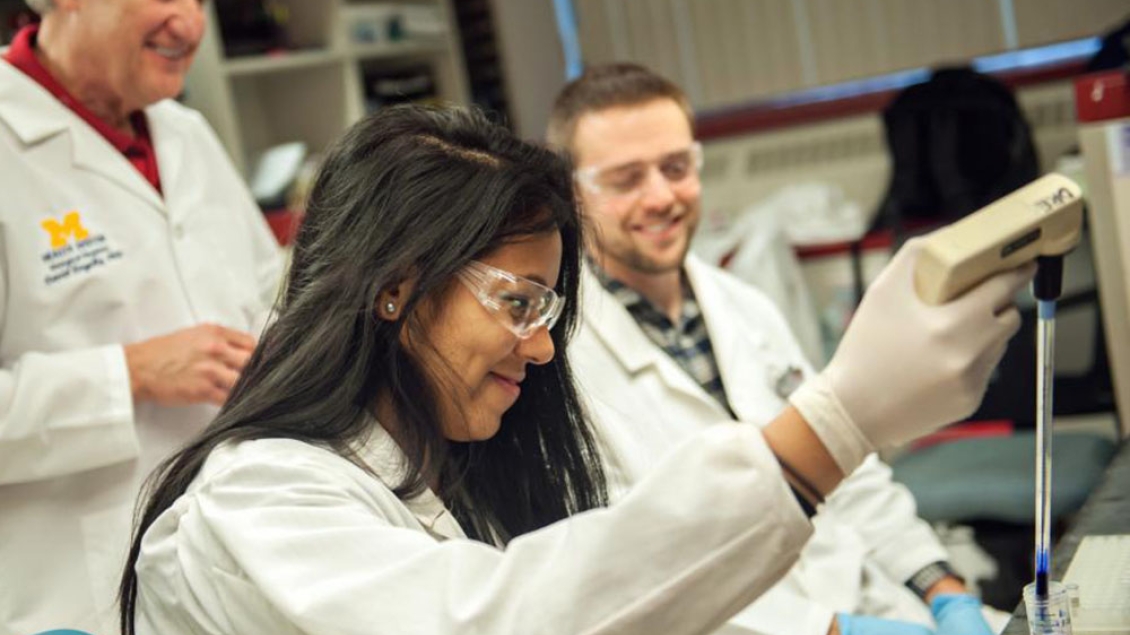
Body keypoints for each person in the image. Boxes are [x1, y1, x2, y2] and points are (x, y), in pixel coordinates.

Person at [119, 104, 1031, 634]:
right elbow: (506, 619)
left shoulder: (450, 463)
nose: (546, 345)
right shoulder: (260, 498)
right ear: (396, 288)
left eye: (549, 310)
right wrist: (832, 426)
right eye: (518, 303)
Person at [547, 63, 1011, 635]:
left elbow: (851, 464)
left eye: (676, 167)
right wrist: (830, 629)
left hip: (870, 597)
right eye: (625, 179)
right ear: (573, 192)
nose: (661, 197)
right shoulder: (558, 360)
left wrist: (943, 586)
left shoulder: (745, 305)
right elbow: (636, 575)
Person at [0, 0, 284, 632]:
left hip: (239, 561)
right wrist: (124, 374)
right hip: (76, 598)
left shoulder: (186, 133)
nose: (188, 24)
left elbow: (270, 303)